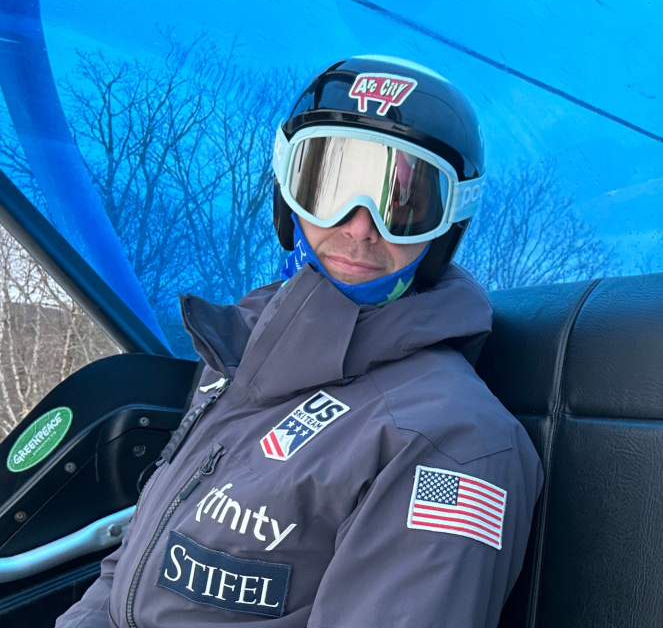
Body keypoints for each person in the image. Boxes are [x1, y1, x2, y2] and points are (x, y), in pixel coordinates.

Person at [56, 56, 543, 628]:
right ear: (289, 194)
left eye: (403, 204)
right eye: (332, 184)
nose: (360, 225)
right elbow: (142, 550)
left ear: (446, 226)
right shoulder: (239, 355)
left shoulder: (451, 443)